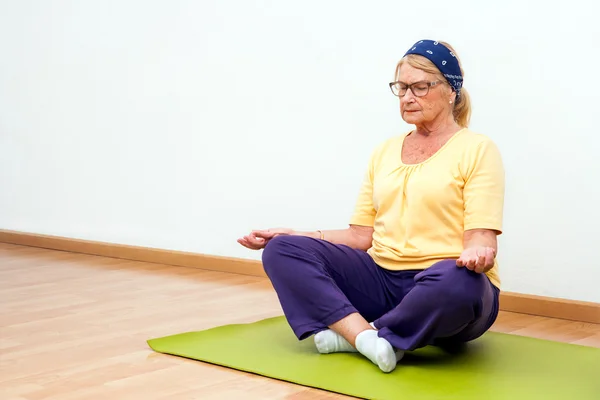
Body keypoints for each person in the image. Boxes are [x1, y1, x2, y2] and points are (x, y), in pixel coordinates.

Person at [237, 39, 504, 373]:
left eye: (420, 87)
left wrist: (478, 253)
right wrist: (298, 234)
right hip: (382, 280)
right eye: (402, 87)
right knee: (282, 250)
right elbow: (361, 236)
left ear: (451, 89)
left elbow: (481, 237)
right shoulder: (385, 151)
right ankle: (367, 338)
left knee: (459, 281)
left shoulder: (478, 148)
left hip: (444, 288)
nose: (408, 97)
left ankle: (359, 336)